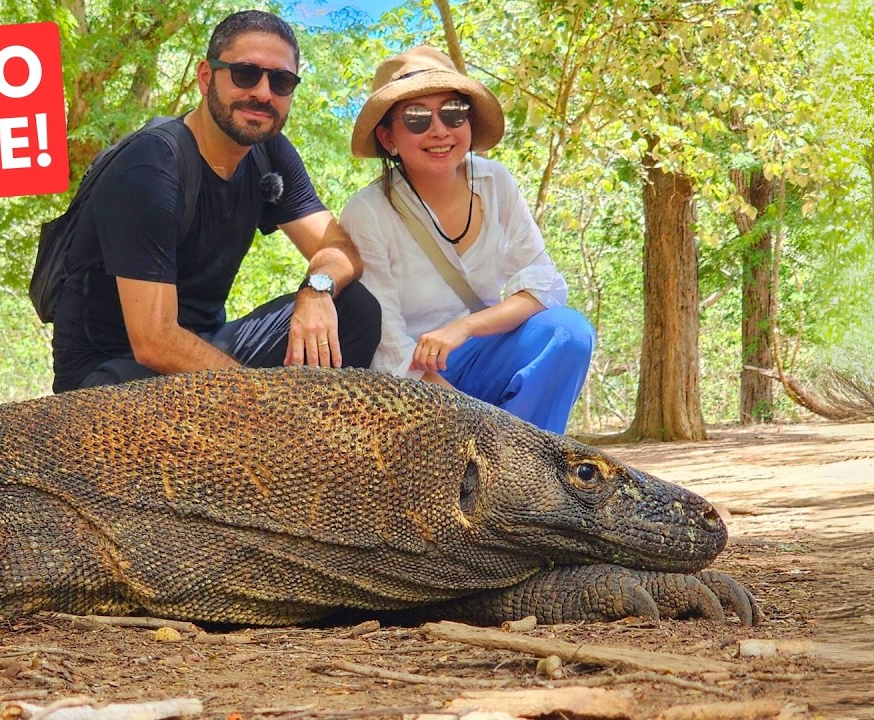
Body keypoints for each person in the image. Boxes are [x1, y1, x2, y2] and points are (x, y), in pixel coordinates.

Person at [50, 10, 381, 393]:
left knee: (354, 309)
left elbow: (338, 248)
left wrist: (317, 289)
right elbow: (153, 341)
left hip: (206, 346)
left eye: (281, 81)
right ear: (206, 78)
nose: (262, 92)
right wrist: (260, 398)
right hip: (113, 375)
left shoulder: (270, 153)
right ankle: (273, 432)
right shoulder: (151, 167)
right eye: (245, 73)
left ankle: (292, 442)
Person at [340, 46, 594, 433]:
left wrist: (465, 328)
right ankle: (496, 462)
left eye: (453, 112)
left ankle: (525, 477)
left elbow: (544, 285)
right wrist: (472, 421)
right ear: (388, 136)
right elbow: (389, 348)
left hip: (485, 355)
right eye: (416, 118)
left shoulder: (498, 184)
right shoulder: (367, 213)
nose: (439, 129)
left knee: (569, 332)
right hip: (415, 384)